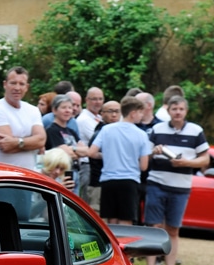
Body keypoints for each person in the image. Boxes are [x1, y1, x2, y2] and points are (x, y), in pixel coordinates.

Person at [145, 95, 210, 265]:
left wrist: (186, 162)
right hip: (156, 183)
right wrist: (154, 151)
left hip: (181, 187)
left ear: (186, 111)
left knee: (173, 229)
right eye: (174, 109)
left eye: (181, 109)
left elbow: (205, 159)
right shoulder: (156, 129)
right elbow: (144, 154)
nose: (178, 112)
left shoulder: (196, 131)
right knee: (154, 228)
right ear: (168, 111)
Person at [86, 96, 152, 225]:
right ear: (133, 113)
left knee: (111, 220)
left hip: (108, 181)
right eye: (140, 113)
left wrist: (109, 155)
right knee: (126, 220)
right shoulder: (141, 134)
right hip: (129, 181)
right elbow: (144, 166)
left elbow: (91, 152)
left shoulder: (106, 129)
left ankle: (111, 245)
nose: (141, 116)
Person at [0, 66, 45, 171]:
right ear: (5, 84)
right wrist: (32, 143)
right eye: (13, 83)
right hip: (3, 177)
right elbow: (6, 147)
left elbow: (41, 140)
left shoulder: (33, 110)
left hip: (29, 176)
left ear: (27, 87)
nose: (17, 88)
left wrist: (17, 142)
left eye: (21, 84)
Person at [44, 93, 89, 191]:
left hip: (75, 172)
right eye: (64, 107)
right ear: (54, 110)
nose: (68, 110)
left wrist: (72, 149)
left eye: (70, 107)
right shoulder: (52, 130)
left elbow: (86, 151)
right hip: (60, 173)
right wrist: (76, 150)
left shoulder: (71, 131)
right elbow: (65, 153)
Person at [84, 100, 122, 211]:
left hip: (116, 183)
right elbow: (91, 153)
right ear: (102, 113)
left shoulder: (119, 131)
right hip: (98, 184)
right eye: (110, 111)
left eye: (117, 111)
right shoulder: (101, 132)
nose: (114, 115)